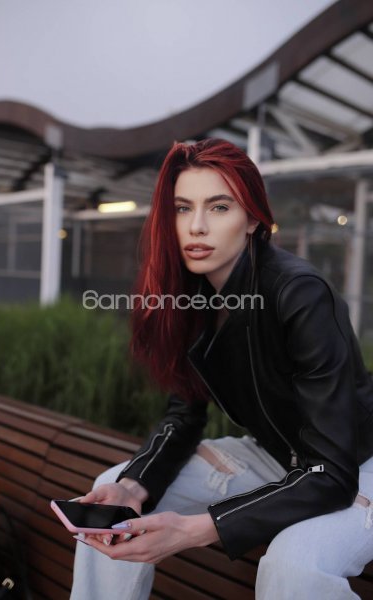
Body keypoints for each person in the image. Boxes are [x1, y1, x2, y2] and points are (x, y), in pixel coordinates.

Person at [70, 139, 373, 600]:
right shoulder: (190, 298)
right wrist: (135, 486)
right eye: (182, 208)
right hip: (280, 458)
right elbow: (184, 415)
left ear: (252, 219)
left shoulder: (300, 293)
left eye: (219, 207)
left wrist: (196, 529)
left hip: (354, 465)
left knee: (293, 565)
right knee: (112, 492)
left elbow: (331, 472)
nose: (196, 226)